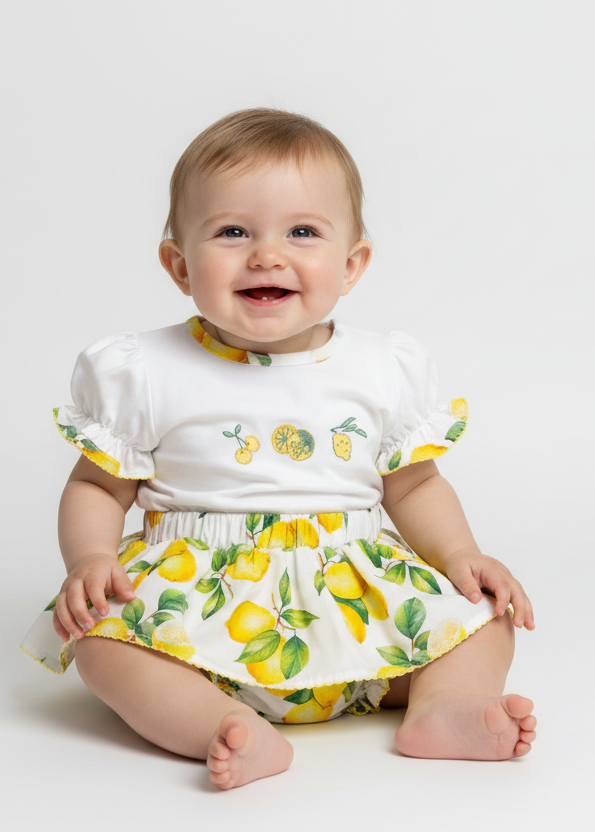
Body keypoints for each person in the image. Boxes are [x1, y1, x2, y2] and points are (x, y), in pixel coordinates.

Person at [21, 108, 537, 790]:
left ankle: (441, 708)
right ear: (178, 265)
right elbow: (96, 486)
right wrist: (89, 559)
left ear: (351, 264)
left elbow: (411, 486)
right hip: (201, 613)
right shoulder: (144, 370)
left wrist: (459, 556)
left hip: (355, 596)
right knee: (101, 647)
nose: (267, 255)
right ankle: (220, 724)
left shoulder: (383, 368)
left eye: (301, 232)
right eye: (232, 232)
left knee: (484, 619)